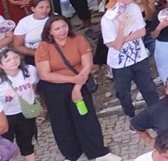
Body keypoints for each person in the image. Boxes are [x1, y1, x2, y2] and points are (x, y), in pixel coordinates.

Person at [35, 16, 121, 161]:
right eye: (57, 29)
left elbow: (87, 65)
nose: (62, 31)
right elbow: (44, 74)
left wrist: (77, 86)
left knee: (86, 118)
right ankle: (72, 154)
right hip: (55, 89)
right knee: (62, 122)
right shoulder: (44, 47)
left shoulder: (78, 39)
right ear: (50, 32)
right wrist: (71, 79)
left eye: (64, 26)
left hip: (79, 83)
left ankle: (98, 152)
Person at [101, 0, 160, 118]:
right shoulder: (107, 19)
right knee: (123, 93)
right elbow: (115, 46)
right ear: (119, 0)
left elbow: (142, 32)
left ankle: (157, 114)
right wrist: (121, 27)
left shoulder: (133, 8)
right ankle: (131, 116)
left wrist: (123, 39)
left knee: (148, 88)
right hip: (119, 63)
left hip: (139, 57)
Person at [0, 47, 40, 161]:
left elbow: (34, 85)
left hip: (25, 114)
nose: (13, 61)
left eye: (15, 57)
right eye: (7, 60)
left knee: (26, 142)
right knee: (5, 145)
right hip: (6, 116)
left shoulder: (30, 70)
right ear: (1, 65)